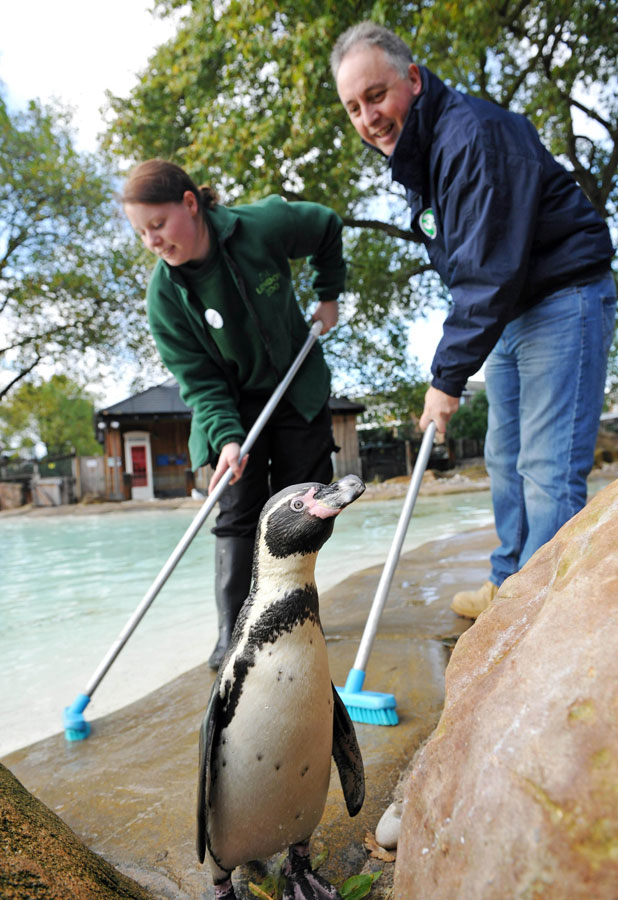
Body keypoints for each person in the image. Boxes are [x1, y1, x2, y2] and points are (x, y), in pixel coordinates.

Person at [331, 22, 616, 619]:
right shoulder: (423, 157)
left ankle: (545, 613)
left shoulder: (472, 137)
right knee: (504, 458)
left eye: (376, 96)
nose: (368, 118)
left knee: (547, 465)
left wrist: (446, 378)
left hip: (563, 301)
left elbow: (487, 271)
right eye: (354, 107)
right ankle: (513, 582)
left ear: (412, 79)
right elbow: (472, 274)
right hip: (514, 312)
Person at [122, 159, 345, 667]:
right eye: (141, 233)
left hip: (295, 381)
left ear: (190, 204)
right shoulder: (164, 299)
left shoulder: (260, 226)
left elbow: (326, 226)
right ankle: (233, 634)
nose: (153, 241)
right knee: (239, 508)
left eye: (158, 225)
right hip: (231, 400)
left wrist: (328, 295)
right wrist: (226, 436)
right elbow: (199, 381)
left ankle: (295, 611)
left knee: (303, 505)